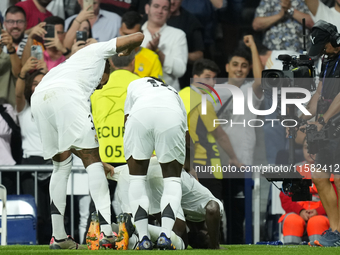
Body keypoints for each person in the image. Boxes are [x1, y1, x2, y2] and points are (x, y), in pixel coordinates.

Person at [30, 32, 144, 249]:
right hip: (67, 96)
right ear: (107, 67)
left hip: (39, 98)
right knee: (92, 161)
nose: (99, 88)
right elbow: (138, 36)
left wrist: (97, 161)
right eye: (104, 83)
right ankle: (108, 233)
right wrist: (126, 50)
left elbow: (75, 145)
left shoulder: (70, 66)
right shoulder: (98, 51)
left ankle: (59, 238)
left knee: (61, 165)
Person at [123, 76, 187, 249]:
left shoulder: (134, 84)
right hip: (171, 115)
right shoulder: (174, 92)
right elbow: (185, 135)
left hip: (139, 116)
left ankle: (143, 238)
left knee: (137, 179)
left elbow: (127, 120)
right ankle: (164, 235)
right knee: (172, 180)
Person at [298, 20, 340, 247]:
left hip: (337, 126)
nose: (322, 51)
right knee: (320, 178)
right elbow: (320, 95)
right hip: (330, 130)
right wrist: (299, 117)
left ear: (336, 41)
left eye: (325, 46)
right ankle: (336, 231)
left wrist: (322, 120)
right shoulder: (328, 60)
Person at [279, 138, 334, 245]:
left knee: (317, 222)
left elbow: (336, 198)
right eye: (306, 148)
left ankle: (318, 249)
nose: (310, 152)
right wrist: (300, 211)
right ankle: (291, 251)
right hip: (297, 212)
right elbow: (285, 197)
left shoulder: (331, 171)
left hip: (323, 215)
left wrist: (318, 211)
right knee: (291, 220)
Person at [141, 0, 188, 91]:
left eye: (165, 8)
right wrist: (147, 52)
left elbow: (180, 70)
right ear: (147, 9)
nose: (160, 11)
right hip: (140, 92)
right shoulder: (136, 32)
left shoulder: (178, 35)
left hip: (167, 93)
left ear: (169, 13)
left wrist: (158, 52)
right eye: (156, 6)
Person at [167, 0, 204, 90]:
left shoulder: (191, 21)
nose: (172, 2)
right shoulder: (151, 19)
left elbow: (199, 55)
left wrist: (179, 55)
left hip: (182, 81)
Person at [119, 11, 163, 79]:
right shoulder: (110, 55)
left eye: (134, 35)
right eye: (126, 34)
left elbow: (158, 88)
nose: (129, 40)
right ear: (120, 31)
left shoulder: (152, 58)